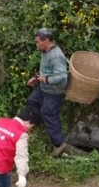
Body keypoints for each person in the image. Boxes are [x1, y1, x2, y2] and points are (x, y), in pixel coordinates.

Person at [26, 28, 79, 157]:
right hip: (44, 87)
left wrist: (47, 80)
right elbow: (46, 70)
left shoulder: (55, 56)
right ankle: (37, 122)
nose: (36, 44)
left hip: (54, 91)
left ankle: (59, 144)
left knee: (49, 114)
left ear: (46, 41)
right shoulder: (45, 51)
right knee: (32, 101)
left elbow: (62, 76)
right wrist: (36, 78)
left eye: (38, 42)